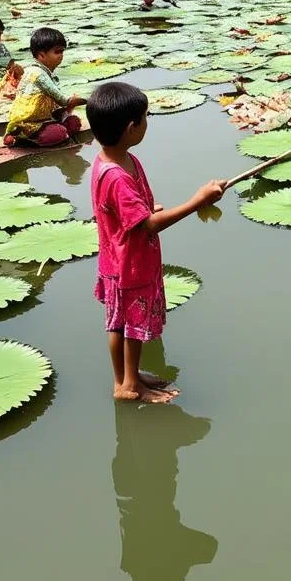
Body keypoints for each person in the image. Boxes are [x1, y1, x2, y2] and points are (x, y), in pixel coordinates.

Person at [87, 81, 225, 403]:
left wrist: (146, 211)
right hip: (132, 264)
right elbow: (148, 225)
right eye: (146, 118)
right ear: (132, 127)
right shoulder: (119, 176)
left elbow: (124, 213)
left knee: (118, 323)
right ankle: (130, 388)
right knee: (132, 327)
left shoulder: (107, 160)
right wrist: (197, 201)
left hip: (114, 258)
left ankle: (125, 378)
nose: (148, 123)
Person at [3, 27, 87, 147]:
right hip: (29, 122)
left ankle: (50, 131)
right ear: (41, 55)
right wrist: (83, 101)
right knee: (60, 133)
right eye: (57, 52)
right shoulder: (37, 73)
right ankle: (21, 138)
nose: (61, 56)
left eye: (62, 52)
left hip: (44, 117)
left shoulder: (44, 71)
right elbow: (62, 100)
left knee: (74, 123)